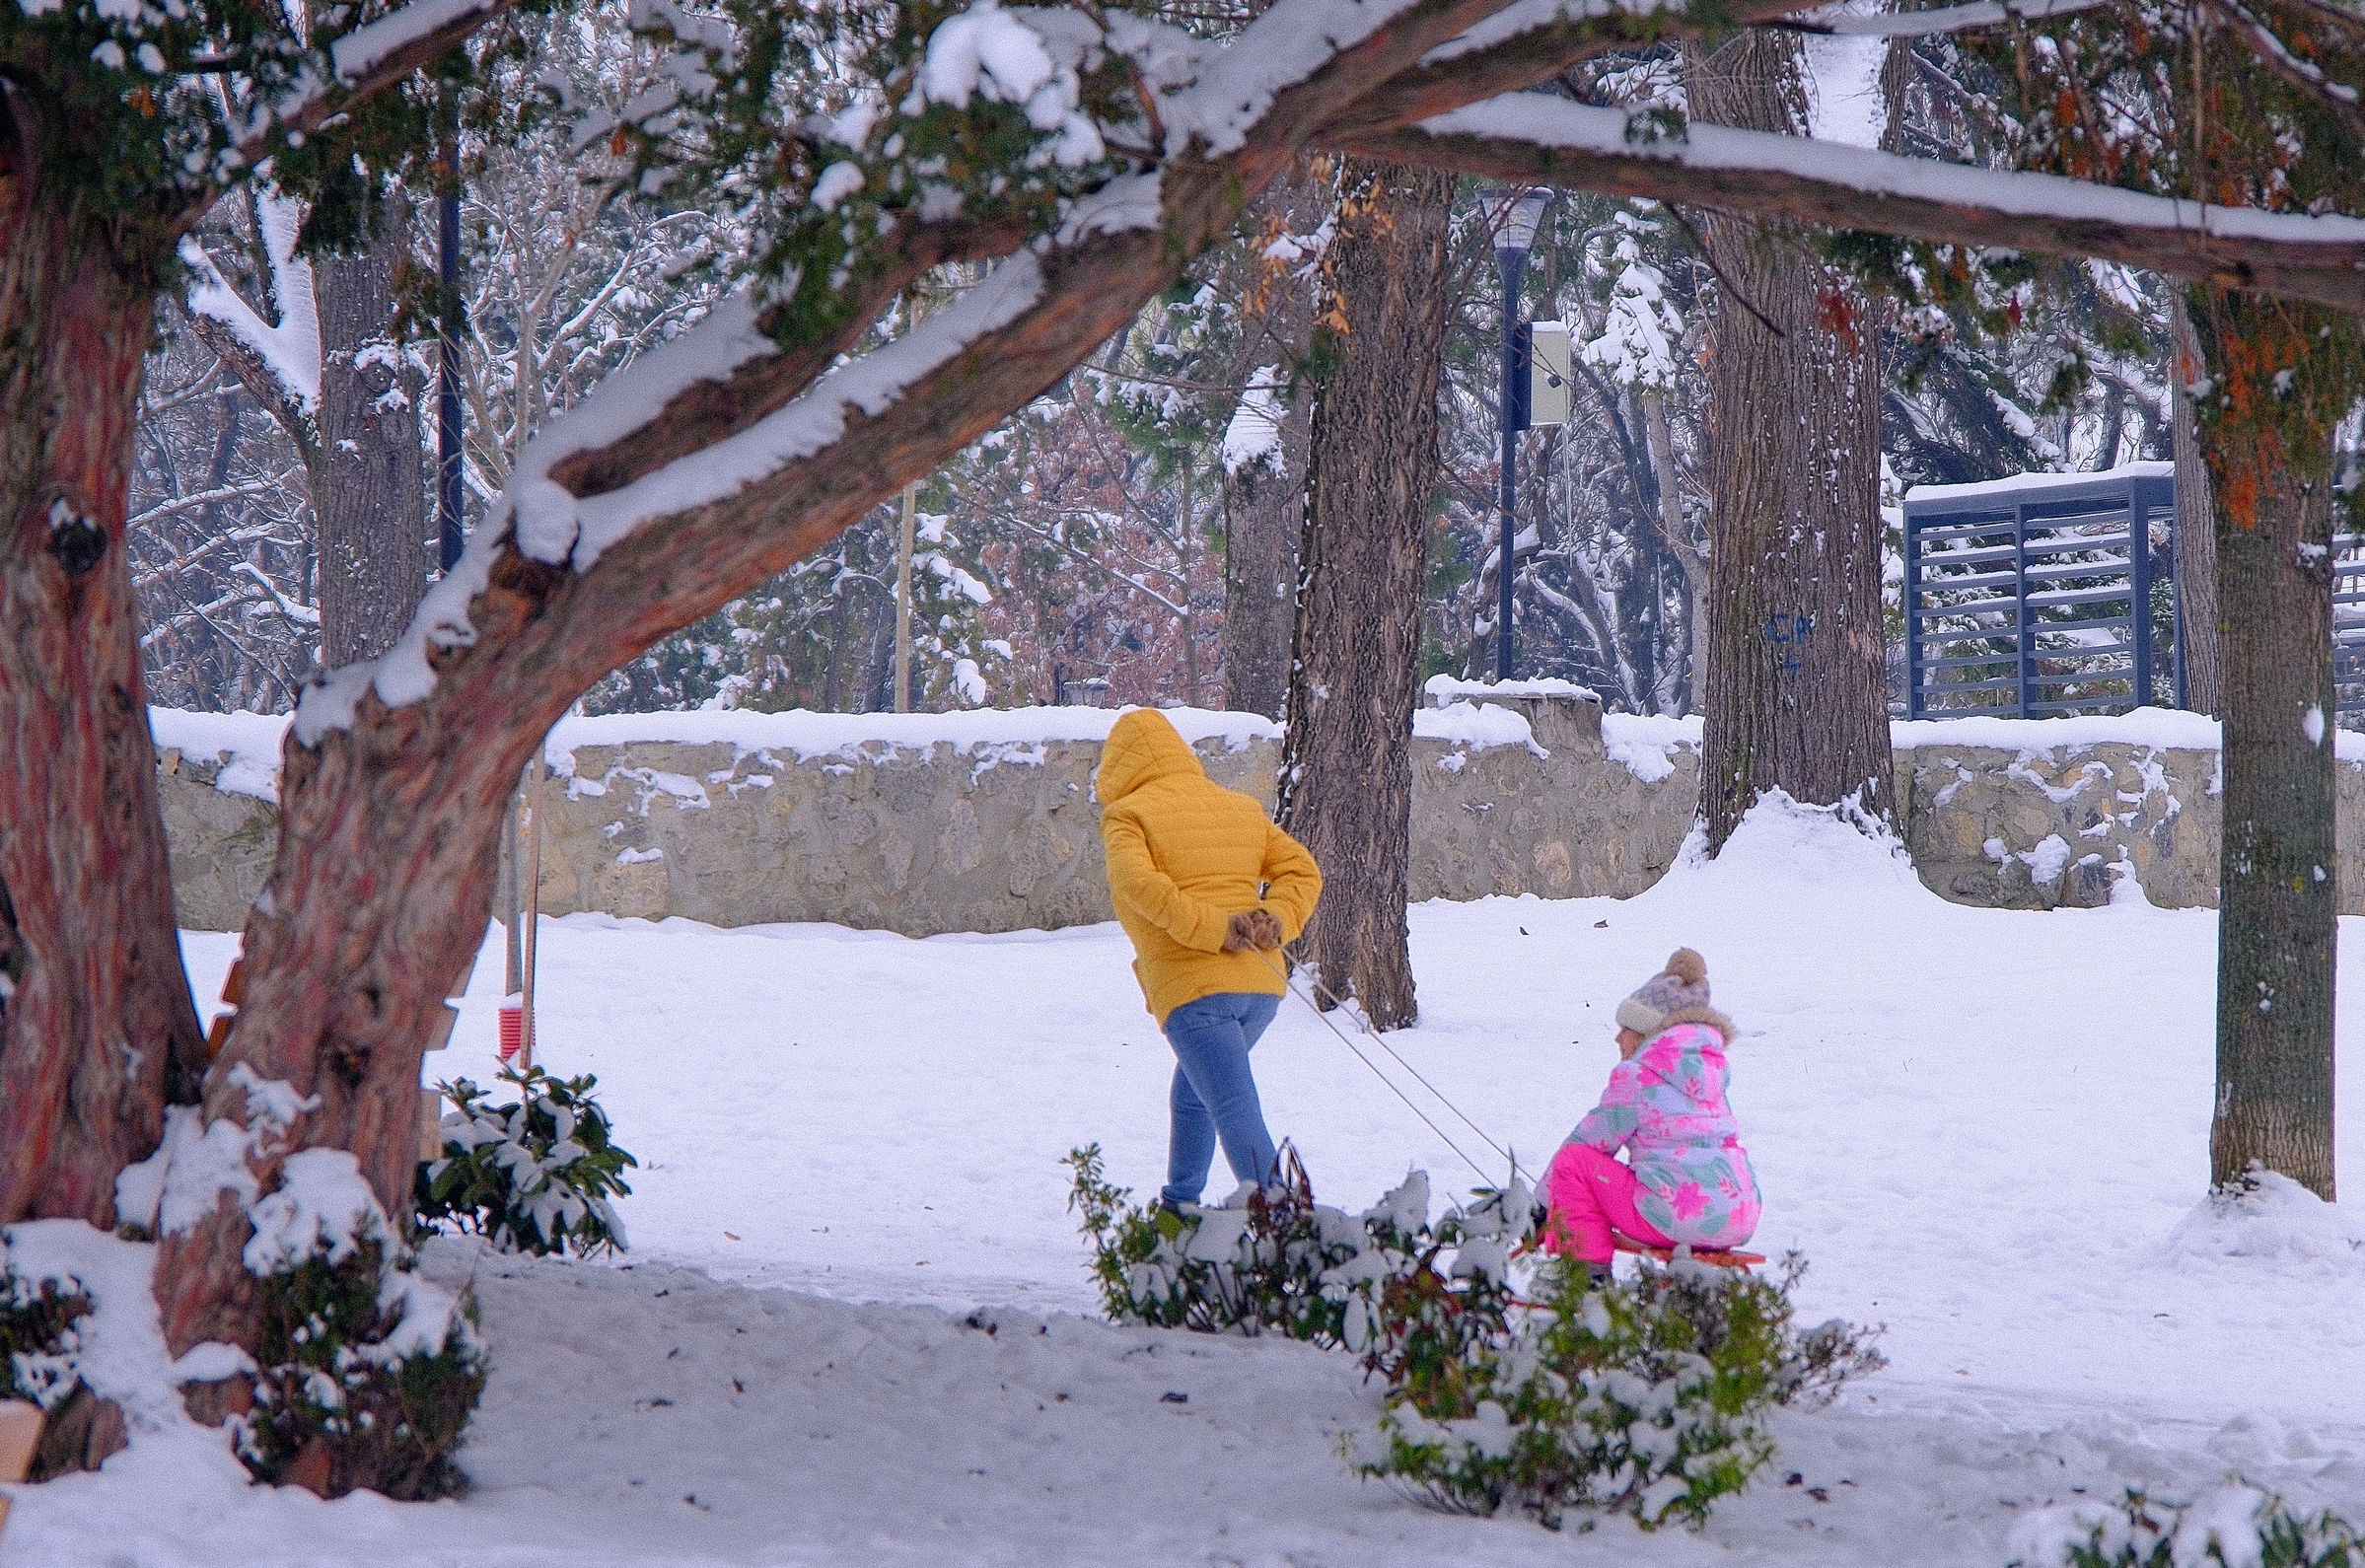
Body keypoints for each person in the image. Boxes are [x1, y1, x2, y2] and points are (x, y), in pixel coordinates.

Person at [1096, 707, 1323, 1211]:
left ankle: (1285, 1227)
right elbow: (1302, 871)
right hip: (1259, 989)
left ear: (1116, 768)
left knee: (1234, 1107)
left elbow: (1138, 885)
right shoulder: (1238, 807)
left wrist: (1215, 930)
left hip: (1193, 991)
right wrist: (1275, 919)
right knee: (1196, 1092)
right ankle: (1180, 1206)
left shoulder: (1127, 815)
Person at [1541, 948, 1759, 1276]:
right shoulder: (1712, 1075)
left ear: (1646, 1034)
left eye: (1625, 1028)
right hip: (1737, 1215)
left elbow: (1590, 1141)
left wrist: (1542, 1205)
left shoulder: (1637, 1077)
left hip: (1674, 1216)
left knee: (1574, 1162)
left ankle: (1585, 1277)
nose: (1618, 1037)